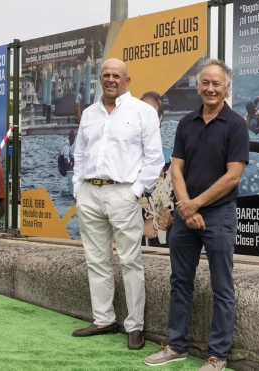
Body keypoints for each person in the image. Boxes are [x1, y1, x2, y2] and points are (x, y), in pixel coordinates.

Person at [144, 59, 249, 371]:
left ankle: (217, 355)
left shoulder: (236, 125)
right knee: (180, 280)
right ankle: (176, 345)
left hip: (219, 214)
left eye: (217, 83)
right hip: (186, 212)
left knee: (222, 285)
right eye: (205, 83)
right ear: (198, 86)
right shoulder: (186, 123)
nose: (211, 88)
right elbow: (176, 167)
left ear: (227, 87)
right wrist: (186, 205)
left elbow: (233, 176)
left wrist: (194, 205)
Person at [71, 58, 164, 351]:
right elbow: (80, 153)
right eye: (106, 75)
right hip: (90, 193)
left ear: (127, 80)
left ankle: (135, 326)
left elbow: (154, 159)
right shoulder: (89, 113)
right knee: (95, 259)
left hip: (123, 193)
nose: (111, 79)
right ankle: (103, 319)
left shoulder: (143, 112)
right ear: (100, 78)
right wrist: (78, 188)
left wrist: (135, 192)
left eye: (117, 75)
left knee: (130, 260)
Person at [140, 91, 173, 247]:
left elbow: (184, 204)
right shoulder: (122, 162)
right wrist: (139, 228)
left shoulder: (172, 161)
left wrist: (170, 217)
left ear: (160, 118)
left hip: (165, 243)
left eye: (151, 113)